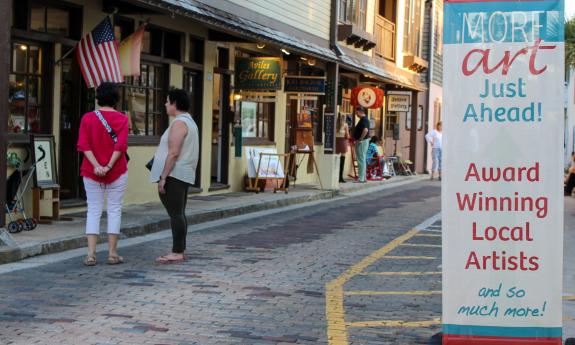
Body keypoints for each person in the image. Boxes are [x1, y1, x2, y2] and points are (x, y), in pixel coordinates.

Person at [77, 82, 129, 266]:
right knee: (114, 209)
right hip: (117, 170)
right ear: (116, 99)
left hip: (91, 171)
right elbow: (120, 146)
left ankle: (91, 254)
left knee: (93, 210)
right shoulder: (123, 119)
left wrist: (97, 165)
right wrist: (108, 166)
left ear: (98, 98)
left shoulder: (87, 118)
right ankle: (112, 253)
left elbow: (83, 145)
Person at [150, 89, 199, 264]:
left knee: (176, 214)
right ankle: (181, 248)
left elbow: (173, 152)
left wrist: (163, 177)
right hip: (183, 173)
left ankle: (177, 251)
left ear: (175, 104)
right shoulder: (190, 121)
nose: (165, 104)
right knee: (179, 213)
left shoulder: (179, 123)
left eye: (167, 101)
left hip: (175, 174)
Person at [353, 107, 370, 183]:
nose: (356, 114)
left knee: (361, 160)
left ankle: (361, 178)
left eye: (356, 112)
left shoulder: (364, 119)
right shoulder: (364, 119)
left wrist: (360, 139)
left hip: (362, 142)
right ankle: (363, 177)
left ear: (360, 112)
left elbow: (365, 130)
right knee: (362, 159)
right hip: (363, 141)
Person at [335, 112, 350, 183]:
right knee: (342, 158)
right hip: (343, 141)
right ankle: (340, 177)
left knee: (336, 159)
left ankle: (335, 176)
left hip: (336, 142)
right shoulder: (345, 125)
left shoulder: (335, 124)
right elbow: (347, 135)